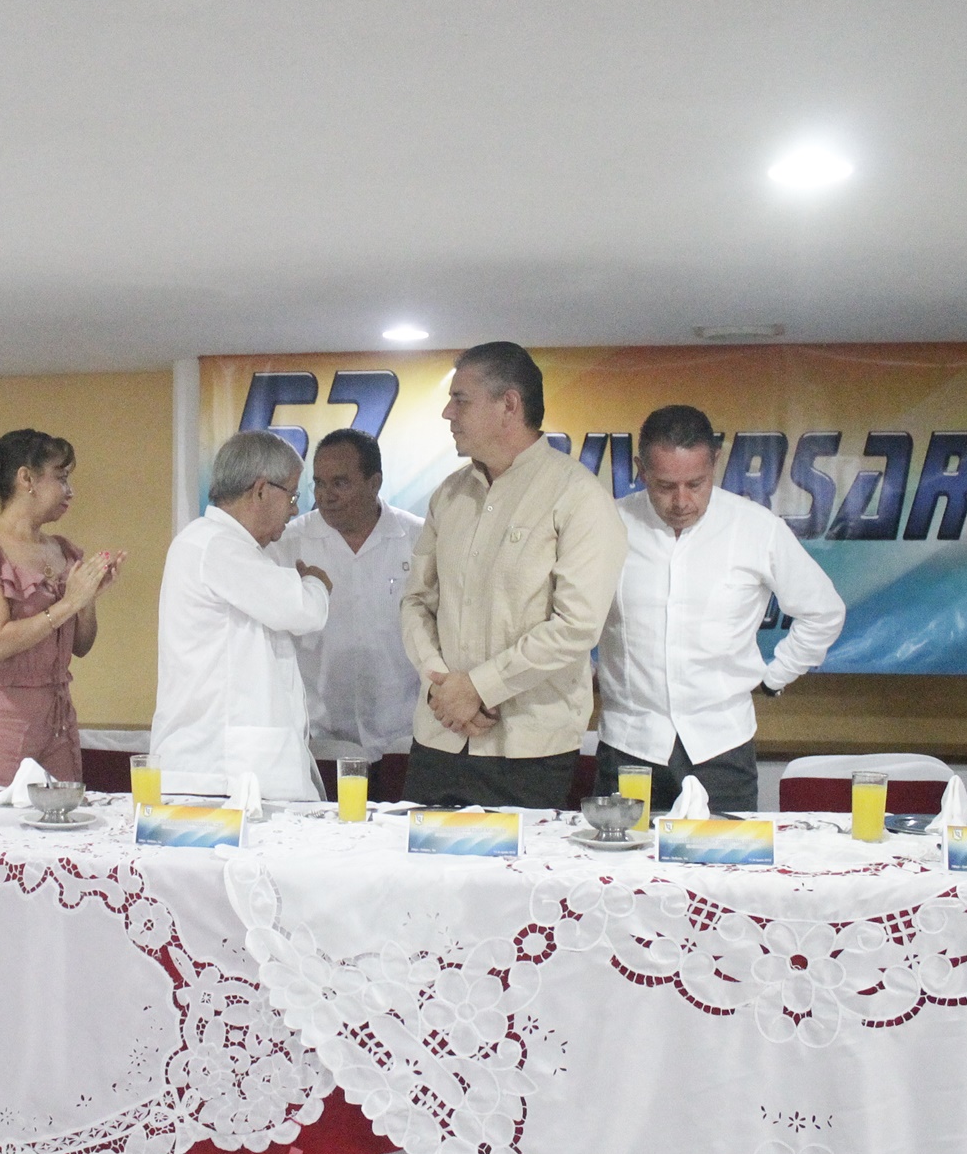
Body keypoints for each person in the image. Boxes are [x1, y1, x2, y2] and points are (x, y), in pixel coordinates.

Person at [400, 341, 628, 808]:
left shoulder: (578, 496)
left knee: (518, 860)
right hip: (440, 734)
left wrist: (479, 687)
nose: (447, 413)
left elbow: (576, 626)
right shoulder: (450, 494)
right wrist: (445, 686)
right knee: (418, 857)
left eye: (460, 399)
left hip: (528, 749)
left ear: (509, 405)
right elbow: (416, 602)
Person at [595, 405, 846, 813]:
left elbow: (824, 611)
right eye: (665, 486)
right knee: (622, 855)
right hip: (628, 746)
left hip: (722, 749)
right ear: (641, 470)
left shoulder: (756, 528)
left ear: (715, 463)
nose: (681, 501)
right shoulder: (608, 525)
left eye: (696, 484)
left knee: (724, 853)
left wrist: (776, 675)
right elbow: (565, 612)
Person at [151, 430, 331, 800]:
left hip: (230, 768)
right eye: (292, 496)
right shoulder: (216, 545)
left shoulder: (231, 547)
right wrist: (316, 582)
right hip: (217, 770)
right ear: (262, 490)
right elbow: (304, 611)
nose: (295, 510)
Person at [0, 429, 122, 785]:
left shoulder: (63, 550)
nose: (70, 491)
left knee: (61, 814)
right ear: (26, 479)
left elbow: (81, 646)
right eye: (61, 477)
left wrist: (87, 600)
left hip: (57, 719)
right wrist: (70, 602)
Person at [268, 428, 423, 786]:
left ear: (374, 483)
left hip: (405, 737)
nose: (326, 496)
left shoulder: (419, 540)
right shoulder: (288, 545)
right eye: (319, 484)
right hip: (319, 742)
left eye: (340, 483)